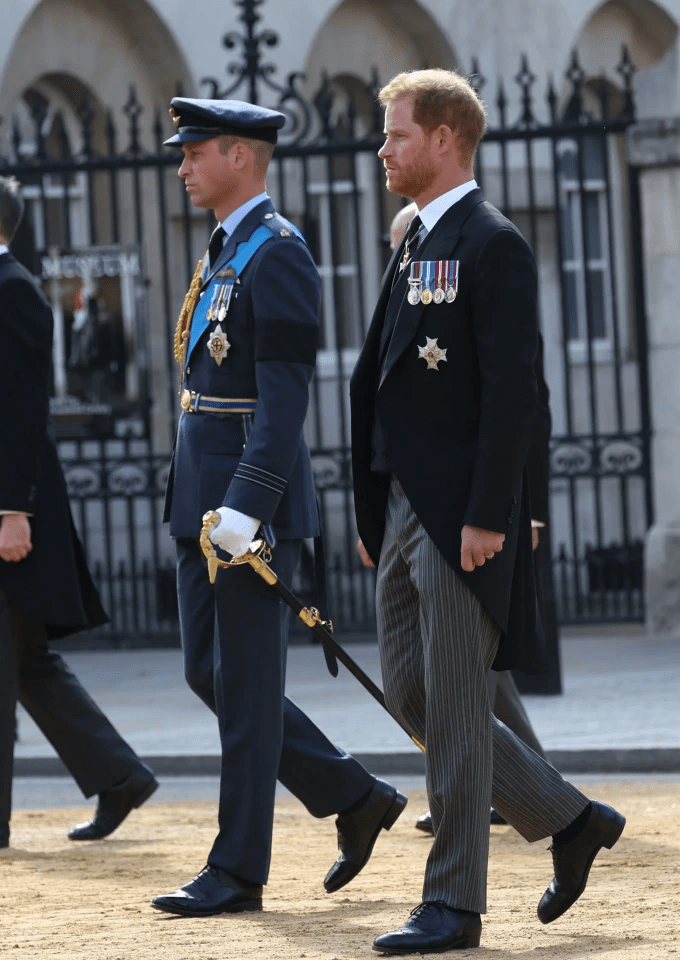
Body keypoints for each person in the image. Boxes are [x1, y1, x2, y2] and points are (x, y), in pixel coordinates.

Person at [349, 70, 625, 953]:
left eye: (396, 134)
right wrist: (373, 503)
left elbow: (514, 394)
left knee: (460, 699)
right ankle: (570, 818)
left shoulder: (491, 241)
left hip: (457, 514)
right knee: (413, 692)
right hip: (402, 507)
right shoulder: (415, 240)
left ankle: (454, 904)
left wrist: (489, 514)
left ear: (443, 138)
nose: (383, 148)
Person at [152, 98, 406, 918]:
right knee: (210, 673)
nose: (184, 165)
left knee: (247, 687)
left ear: (241, 156)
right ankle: (354, 795)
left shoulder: (279, 253)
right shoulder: (225, 250)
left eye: (195, 152)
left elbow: (283, 398)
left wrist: (246, 506)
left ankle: (237, 870)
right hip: (203, 503)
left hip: (243, 513)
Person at [376, 203, 551, 838]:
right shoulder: (408, 280)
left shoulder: (488, 250)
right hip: (415, 507)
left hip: (473, 512)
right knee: (429, 687)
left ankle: (521, 799)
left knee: (465, 683)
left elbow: (522, 404)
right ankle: (557, 807)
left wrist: (514, 509)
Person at [0, 175, 158, 850]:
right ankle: (117, 776)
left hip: (13, 509)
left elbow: (22, 414)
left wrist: (13, 509)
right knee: (27, 661)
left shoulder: (13, 292)